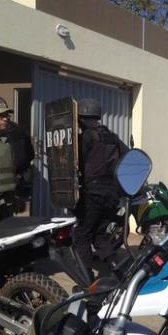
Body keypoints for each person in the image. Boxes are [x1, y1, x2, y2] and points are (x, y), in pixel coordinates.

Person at [73, 98, 129, 278]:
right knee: (100, 235)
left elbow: (78, 162)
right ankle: (118, 270)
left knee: (82, 235)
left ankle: (86, 278)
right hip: (112, 193)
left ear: (80, 117)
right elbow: (128, 156)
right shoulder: (111, 135)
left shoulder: (87, 136)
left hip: (93, 192)